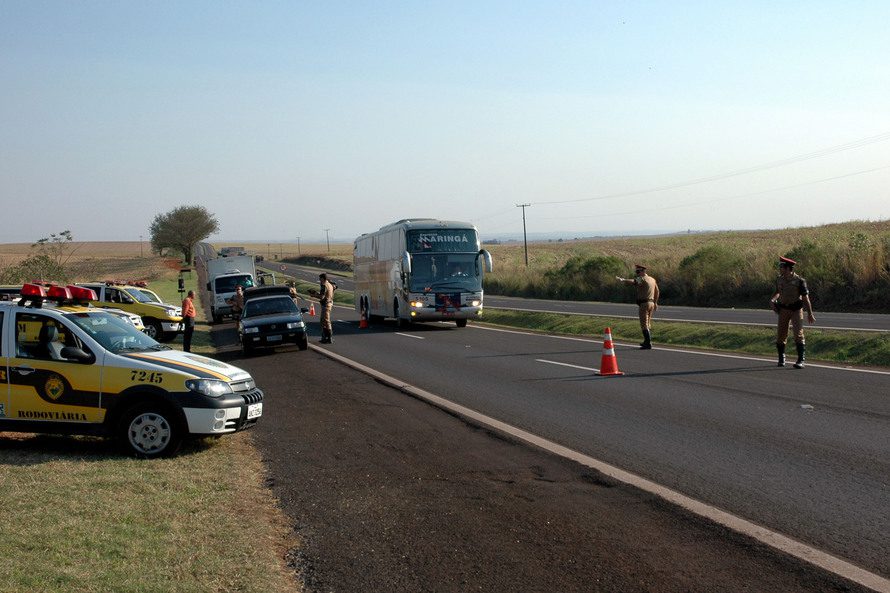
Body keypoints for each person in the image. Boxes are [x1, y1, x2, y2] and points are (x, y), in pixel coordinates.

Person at [770, 256, 816, 368]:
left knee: (798, 334)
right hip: (783, 309)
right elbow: (778, 292)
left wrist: (810, 313)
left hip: (796, 309)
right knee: (781, 334)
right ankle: (781, 358)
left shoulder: (800, 281)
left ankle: (801, 360)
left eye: (782, 267)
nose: (780, 269)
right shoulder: (779, 279)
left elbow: (805, 298)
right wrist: (773, 300)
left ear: (788, 268)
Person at [616, 264, 660, 349]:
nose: (637, 273)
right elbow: (657, 291)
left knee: (644, 324)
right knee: (648, 323)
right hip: (651, 303)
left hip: (644, 304)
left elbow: (634, 281)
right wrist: (655, 302)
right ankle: (646, 341)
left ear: (643, 271)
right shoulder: (652, 279)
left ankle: (648, 343)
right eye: (637, 271)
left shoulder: (642, 278)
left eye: (638, 271)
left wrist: (623, 280)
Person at [308, 273, 336, 343]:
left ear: (323, 278)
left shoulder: (324, 285)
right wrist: (317, 293)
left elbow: (322, 297)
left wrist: (313, 295)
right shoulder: (330, 284)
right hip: (329, 303)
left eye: (320, 279)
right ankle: (326, 337)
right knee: (325, 321)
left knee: (325, 321)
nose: (319, 281)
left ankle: (328, 338)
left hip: (326, 305)